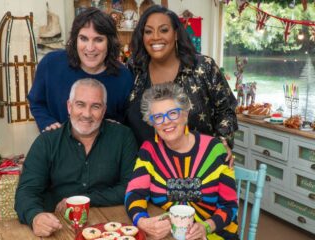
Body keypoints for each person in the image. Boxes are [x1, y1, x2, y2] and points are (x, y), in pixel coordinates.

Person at [16, 78, 138, 237]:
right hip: (58, 228)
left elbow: (130, 187)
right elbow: (26, 191)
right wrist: (35, 217)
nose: (87, 114)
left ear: (104, 110)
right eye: (80, 104)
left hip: (110, 226)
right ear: (69, 106)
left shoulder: (123, 137)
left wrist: (83, 200)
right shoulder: (47, 142)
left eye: (96, 106)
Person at [124, 82, 239, 240]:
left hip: (214, 235)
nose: (166, 121)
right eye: (158, 117)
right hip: (169, 237)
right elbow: (135, 193)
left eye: (172, 113)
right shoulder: (149, 150)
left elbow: (229, 205)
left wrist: (206, 227)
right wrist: (142, 221)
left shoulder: (215, 150)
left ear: (185, 114)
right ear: (152, 122)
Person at [125, 5, 237, 165]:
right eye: (148, 31)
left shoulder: (203, 67)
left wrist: (222, 141)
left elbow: (227, 110)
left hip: (200, 167)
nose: (155, 37)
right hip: (148, 169)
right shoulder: (134, 68)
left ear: (176, 34)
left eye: (164, 30)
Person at [28, 7, 133, 132]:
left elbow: (125, 118)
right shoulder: (50, 64)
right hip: (57, 145)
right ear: (75, 40)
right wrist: (46, 122)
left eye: (98, 39)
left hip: (102, 148)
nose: (90, 48)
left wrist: (116, 125)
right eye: (83, 38)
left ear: (109, 43)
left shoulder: (123, 77)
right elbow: (36, 101)